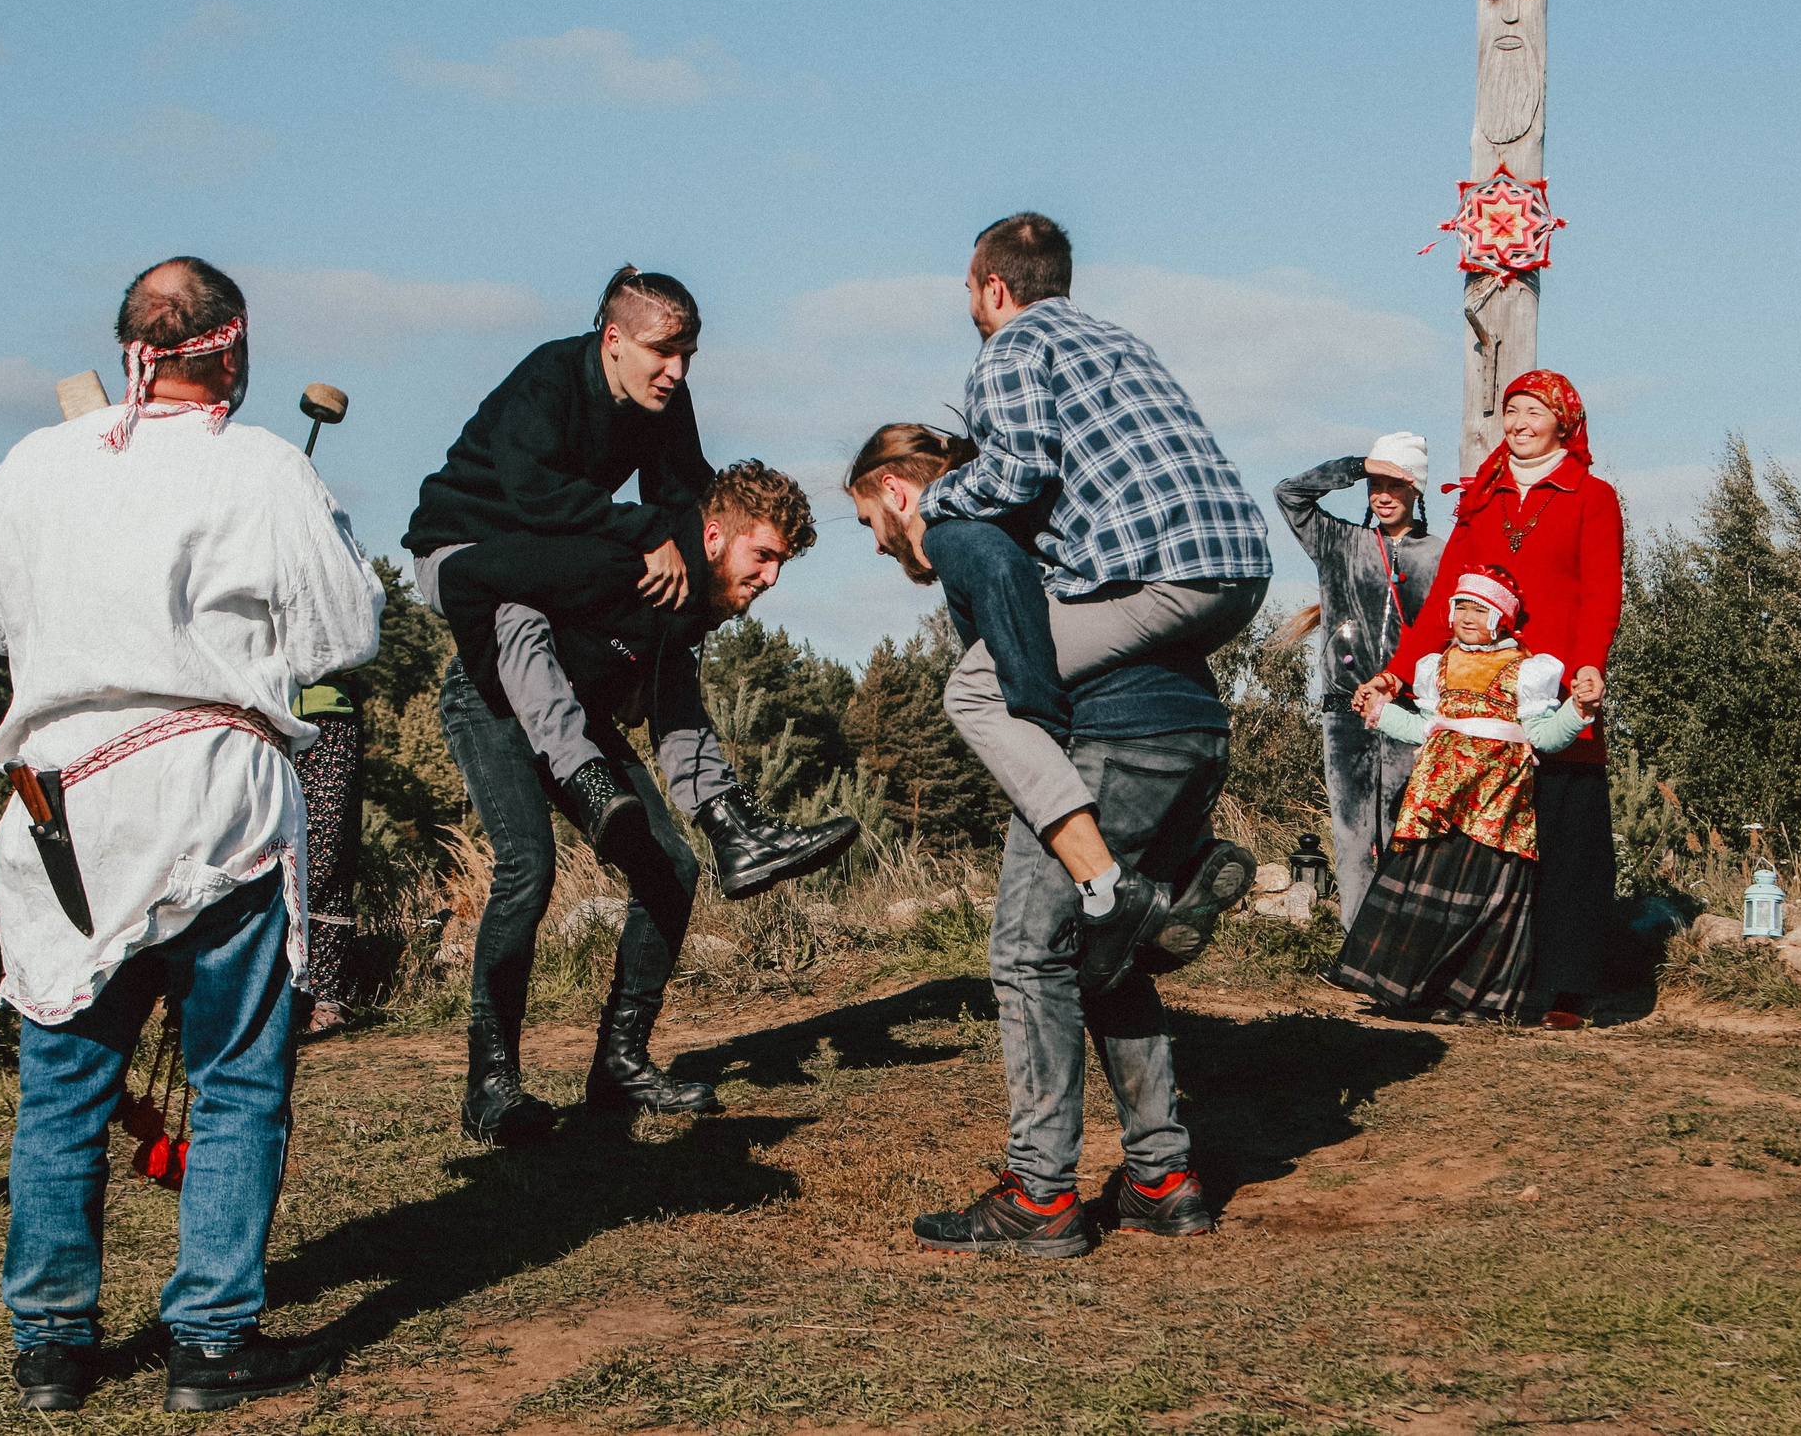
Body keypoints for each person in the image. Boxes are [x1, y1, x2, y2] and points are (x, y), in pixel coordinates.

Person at [0, 258, 383, 1412]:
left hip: (60, 799)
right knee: (238, 1077)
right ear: (230, 353)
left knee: (64, 1083)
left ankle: (52, 1345)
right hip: (206, 792)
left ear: (132, 343)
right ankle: (207, 1341)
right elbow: (345, 629)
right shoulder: (258, 466)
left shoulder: (32, 465)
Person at [402, 267, 849, 1142]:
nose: (678, 369)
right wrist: (645, 532)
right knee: (527, 868)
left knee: (669, 868)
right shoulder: (548, 385)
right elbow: (534, 514)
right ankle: (491, 1085)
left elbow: (687, 497)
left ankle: (620, 1063)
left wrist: (691, 553)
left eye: (688, 353)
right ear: (613, 339)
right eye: (661, 349)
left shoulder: (665, 419)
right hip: (487, 662)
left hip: (568, 682)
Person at [850, 424, 1247, 1255]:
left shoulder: (961, 527)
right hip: (1194, 726)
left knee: (1028, 955)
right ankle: (1162, 1178)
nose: (880, 544)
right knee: (1108, 952)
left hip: (1111, 739)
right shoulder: (1054, 523)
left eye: (868, 522)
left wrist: (1038, 718)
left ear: (895, 491)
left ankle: (1039, 1195)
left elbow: (998, 584)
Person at [915, 213, 1271, 988]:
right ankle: (1188, 856)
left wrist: (935, 499)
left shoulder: (1008, 348)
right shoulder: (1120, 341)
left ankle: (1107, 891)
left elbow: (1016, 473)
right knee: (1138, 683)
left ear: (994, 287)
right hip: (1239, 567)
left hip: (1157, 570)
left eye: (971, 291)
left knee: (977, 687)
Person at [1357, 370, 1621, 1029]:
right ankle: (1452, 979)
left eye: (1533, 411)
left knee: (1564, 839)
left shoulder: (1592, 496)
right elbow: (1444, 597)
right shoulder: (1482, 498)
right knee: (1466, 849)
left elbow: (1600, 591)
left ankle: (1562, 988)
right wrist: (1396, 672)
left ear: (1564, 421)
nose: (1519, 422)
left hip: (1551, 692)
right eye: (1512, 411)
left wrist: (1589, 667)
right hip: (1474, 696)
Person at [1337, 566, 1594, 1021]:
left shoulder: (1528, 672)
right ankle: (1406, 990)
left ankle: (1472, 999)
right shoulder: (1437, 666)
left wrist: (1577, 710)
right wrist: (1378, 711)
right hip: (1436, 803)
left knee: (1486, 902)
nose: (1467, 616)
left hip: (1498, 807)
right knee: (1421, 898)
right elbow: (1421, 729)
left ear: (1501, 616)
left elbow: (1547, 739)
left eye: (1480, 608)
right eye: (1461, 606)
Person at [1276, 434, 1443, 926]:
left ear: (1417, 490)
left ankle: (1394, 948)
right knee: (1351, 830)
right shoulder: (1339, 542)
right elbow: (1289, 494)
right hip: (1344, 710)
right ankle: (1355, 944)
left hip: (1409, 714)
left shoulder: (1439, 556)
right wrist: (1353, 465)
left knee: (1402, 829)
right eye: (1375, 483)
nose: (1383, 494)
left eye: (1396, 483)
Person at [292, 675, 366, 1035]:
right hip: (253, 705)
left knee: (328, 852)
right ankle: (266, 991)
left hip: (326, 712)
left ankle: (324, 994)